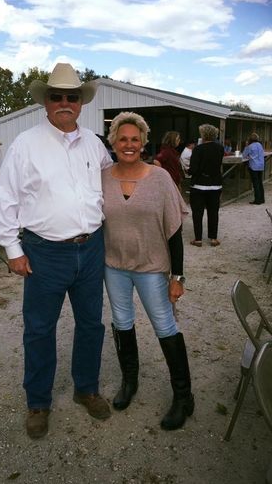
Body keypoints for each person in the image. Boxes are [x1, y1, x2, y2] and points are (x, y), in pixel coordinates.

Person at [0, 63, 113, 439]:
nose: (64, 102)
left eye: (71, 97)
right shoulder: (25, 144)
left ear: (81, 103)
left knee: (92, 324)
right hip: (45, 252)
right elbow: (6, 199)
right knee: (40, 330)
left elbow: (112, 182)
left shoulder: (95, 143)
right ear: (46, 101)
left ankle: (86, 388)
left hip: (91, 248)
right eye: (57, 96)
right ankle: (38, 402)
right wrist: (12, 248)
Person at [102, 111, 194, 430]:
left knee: (164, 326)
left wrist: (177, 277)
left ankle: (183, 396)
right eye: (122, 139)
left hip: (152, 268)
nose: (129, 144)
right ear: (113, 142)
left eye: (135, 139)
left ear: (143, 143)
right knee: (122, 322)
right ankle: (130, 382)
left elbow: (174, 230)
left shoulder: (159, 179)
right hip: (114, 267)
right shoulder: (102, 177)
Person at [188, 124, 224, 247]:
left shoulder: (198, 149)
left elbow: (193, 169)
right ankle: (213, 238)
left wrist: (188, 171)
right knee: (213, 212)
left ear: (203, 135)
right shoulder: (220, 148)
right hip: (215, 185)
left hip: (199, 185)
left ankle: (198, 239)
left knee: (197, 213)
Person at [242, 133, 265, 205]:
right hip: (261, 166)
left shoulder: (250, 146)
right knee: (260, 183)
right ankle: (262, 199)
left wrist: (246, 146)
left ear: (250, 139)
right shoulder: (260, 145)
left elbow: (244, 155)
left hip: (254, 166)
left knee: (255, 184)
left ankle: (257, 200)